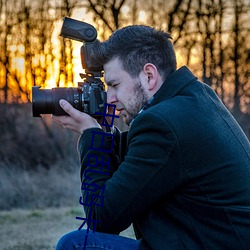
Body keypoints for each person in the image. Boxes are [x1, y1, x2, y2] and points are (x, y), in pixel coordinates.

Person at [53, 25, 250, 250]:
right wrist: (103, 132)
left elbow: (103, 219)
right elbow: (140, 164)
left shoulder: (163, 124)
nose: (110, 99)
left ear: (149, 75)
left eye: (115, 85)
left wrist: (91, 135)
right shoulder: (194, 98)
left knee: (76, 244)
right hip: (213, 241)